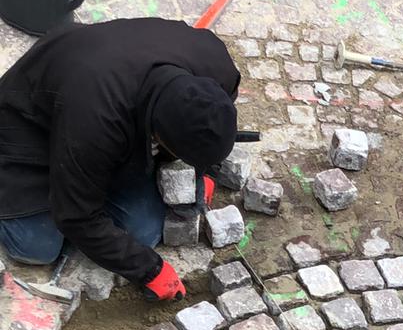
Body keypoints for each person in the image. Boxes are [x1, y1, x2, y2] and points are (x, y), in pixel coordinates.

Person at [0, 16, 240, 301]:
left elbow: (213, 121)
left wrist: (207, 172)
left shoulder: (217, 66)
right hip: (30, 123)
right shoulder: (97, 121)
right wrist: (150, 270)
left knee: (144, 231)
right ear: (158, 135)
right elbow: (76, 217)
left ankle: (86, 187)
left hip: (100, 86)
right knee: (37, 246)